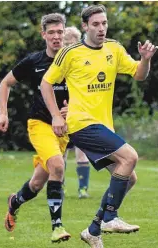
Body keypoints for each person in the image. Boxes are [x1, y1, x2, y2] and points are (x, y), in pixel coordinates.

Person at [40, 4, 158, 248]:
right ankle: (110, 218)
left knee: (129, 178)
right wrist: (56, 116)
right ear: (85, 26)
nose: (101, 28)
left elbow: (139, 74)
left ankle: (93, 229)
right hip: (80, 123)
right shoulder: (70, 53)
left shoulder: (114, 49)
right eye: (95, 24)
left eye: (104, 23)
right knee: (130, 157)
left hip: (103, 126)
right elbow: (46, 83)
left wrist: (145, 60)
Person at [0, 13, 71, 243]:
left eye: (60, 32)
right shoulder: (34, 61)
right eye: (52, 32)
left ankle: (15, 201)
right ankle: (57, 226)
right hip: (39, 124)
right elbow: (5, 83)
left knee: (37, 183)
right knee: (58, 166)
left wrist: (74, 109)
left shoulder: (73, 60)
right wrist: (3, 113)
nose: (56, 37)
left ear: (64, 33)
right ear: (43, 34)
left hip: (64, 129)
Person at [61, 27, 91, 199]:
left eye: (73, 43)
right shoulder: (57, 64)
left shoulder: (83, 65)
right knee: (61, 153)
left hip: (79, 113)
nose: (69, 47)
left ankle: (83, 189)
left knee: (82, 151)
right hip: (62, 114)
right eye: (66, 43)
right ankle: (61, 186)